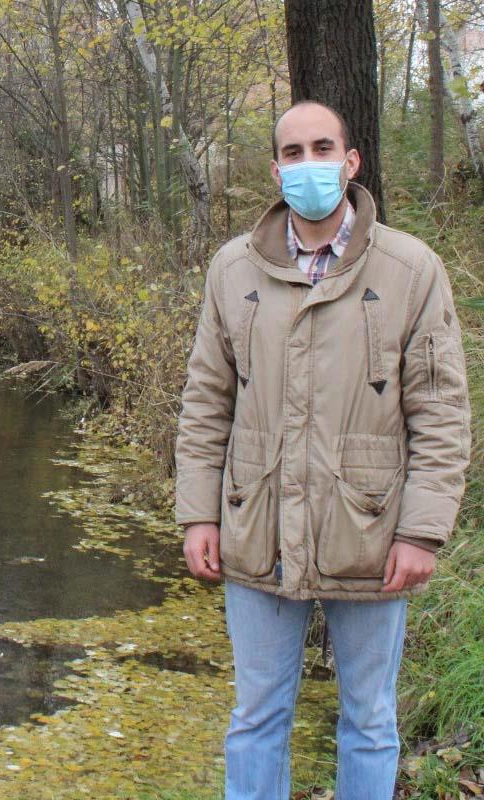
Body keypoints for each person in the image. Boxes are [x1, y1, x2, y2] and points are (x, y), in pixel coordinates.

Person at [174, 101, 471, 799]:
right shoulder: (232, 270)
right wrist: (199, 516)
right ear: (276, 170)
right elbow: (206, 402)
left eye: (322, 147)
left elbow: (441, 412)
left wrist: (423, 531)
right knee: (257, 717)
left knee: (369, 719)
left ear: (351, 161)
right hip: (257, 525)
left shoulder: (411, 270)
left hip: (368, 529)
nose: (310, 164)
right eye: (294, 152)